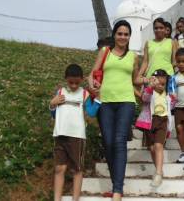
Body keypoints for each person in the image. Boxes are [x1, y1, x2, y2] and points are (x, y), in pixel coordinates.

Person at [89, 20, 139, 201]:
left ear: (129, 37)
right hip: (105, 102)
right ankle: (116, 183)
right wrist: (92, 85)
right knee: (108, 143)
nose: (123, 37)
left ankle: (117, 189)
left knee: (119, 141)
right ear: (114, 35)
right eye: (120, 33)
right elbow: (92, 73)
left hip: (126, 101)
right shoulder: (105, 52)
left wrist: (150, 82)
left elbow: (136, 79)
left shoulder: (133, 56)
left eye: (126, 34)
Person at [50, 64, 101, 201]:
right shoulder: (60, 92)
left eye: (76, 82)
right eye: (70, 82)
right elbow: (55, 115)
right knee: (59, 169)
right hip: (60, 134)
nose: (73, 85)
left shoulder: (84, 93)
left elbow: (90, 112)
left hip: (77, 136)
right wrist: (52, 104)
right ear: (65, 78)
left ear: (82, 80)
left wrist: (97, 98)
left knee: (77, 169)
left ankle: (75, 198)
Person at [136, 69, 175, 187]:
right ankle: (159, 169)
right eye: (158, 83)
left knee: (158, 146)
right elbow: (144, 98)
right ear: (153, 81)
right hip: (150, 122)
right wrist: (150, 87)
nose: (161, 86)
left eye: (163, 84)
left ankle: (158, 173)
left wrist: (174, 100)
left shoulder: (168, 95)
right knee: (152, 148)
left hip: (162, 121)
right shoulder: (150, 92)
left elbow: (171, 107)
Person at [138, 17, 177, 83]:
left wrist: (178, 76)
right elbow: (145, 62)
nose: (158, 30)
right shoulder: (148, 43)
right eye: (156, 28)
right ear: (153, 29)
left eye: (161, 28)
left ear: (165, 29)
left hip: (168, 77)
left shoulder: (171, 42)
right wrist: (139, 75)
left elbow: (174, 62)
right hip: (151, 78)